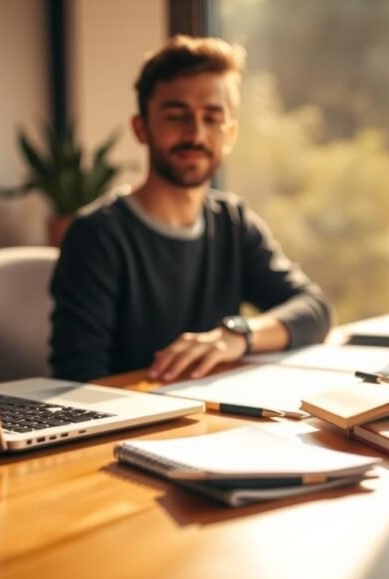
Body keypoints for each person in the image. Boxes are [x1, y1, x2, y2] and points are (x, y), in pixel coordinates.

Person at [49, 35, 333, 383]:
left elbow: (314, 309)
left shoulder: (233, 222)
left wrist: (236, 335)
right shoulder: (96, 235)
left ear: (230, 134)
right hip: (126, 424)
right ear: (142, 129)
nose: (196, 134)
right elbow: (75, 380)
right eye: (176, 116)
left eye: (212, 118)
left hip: (209, 419)